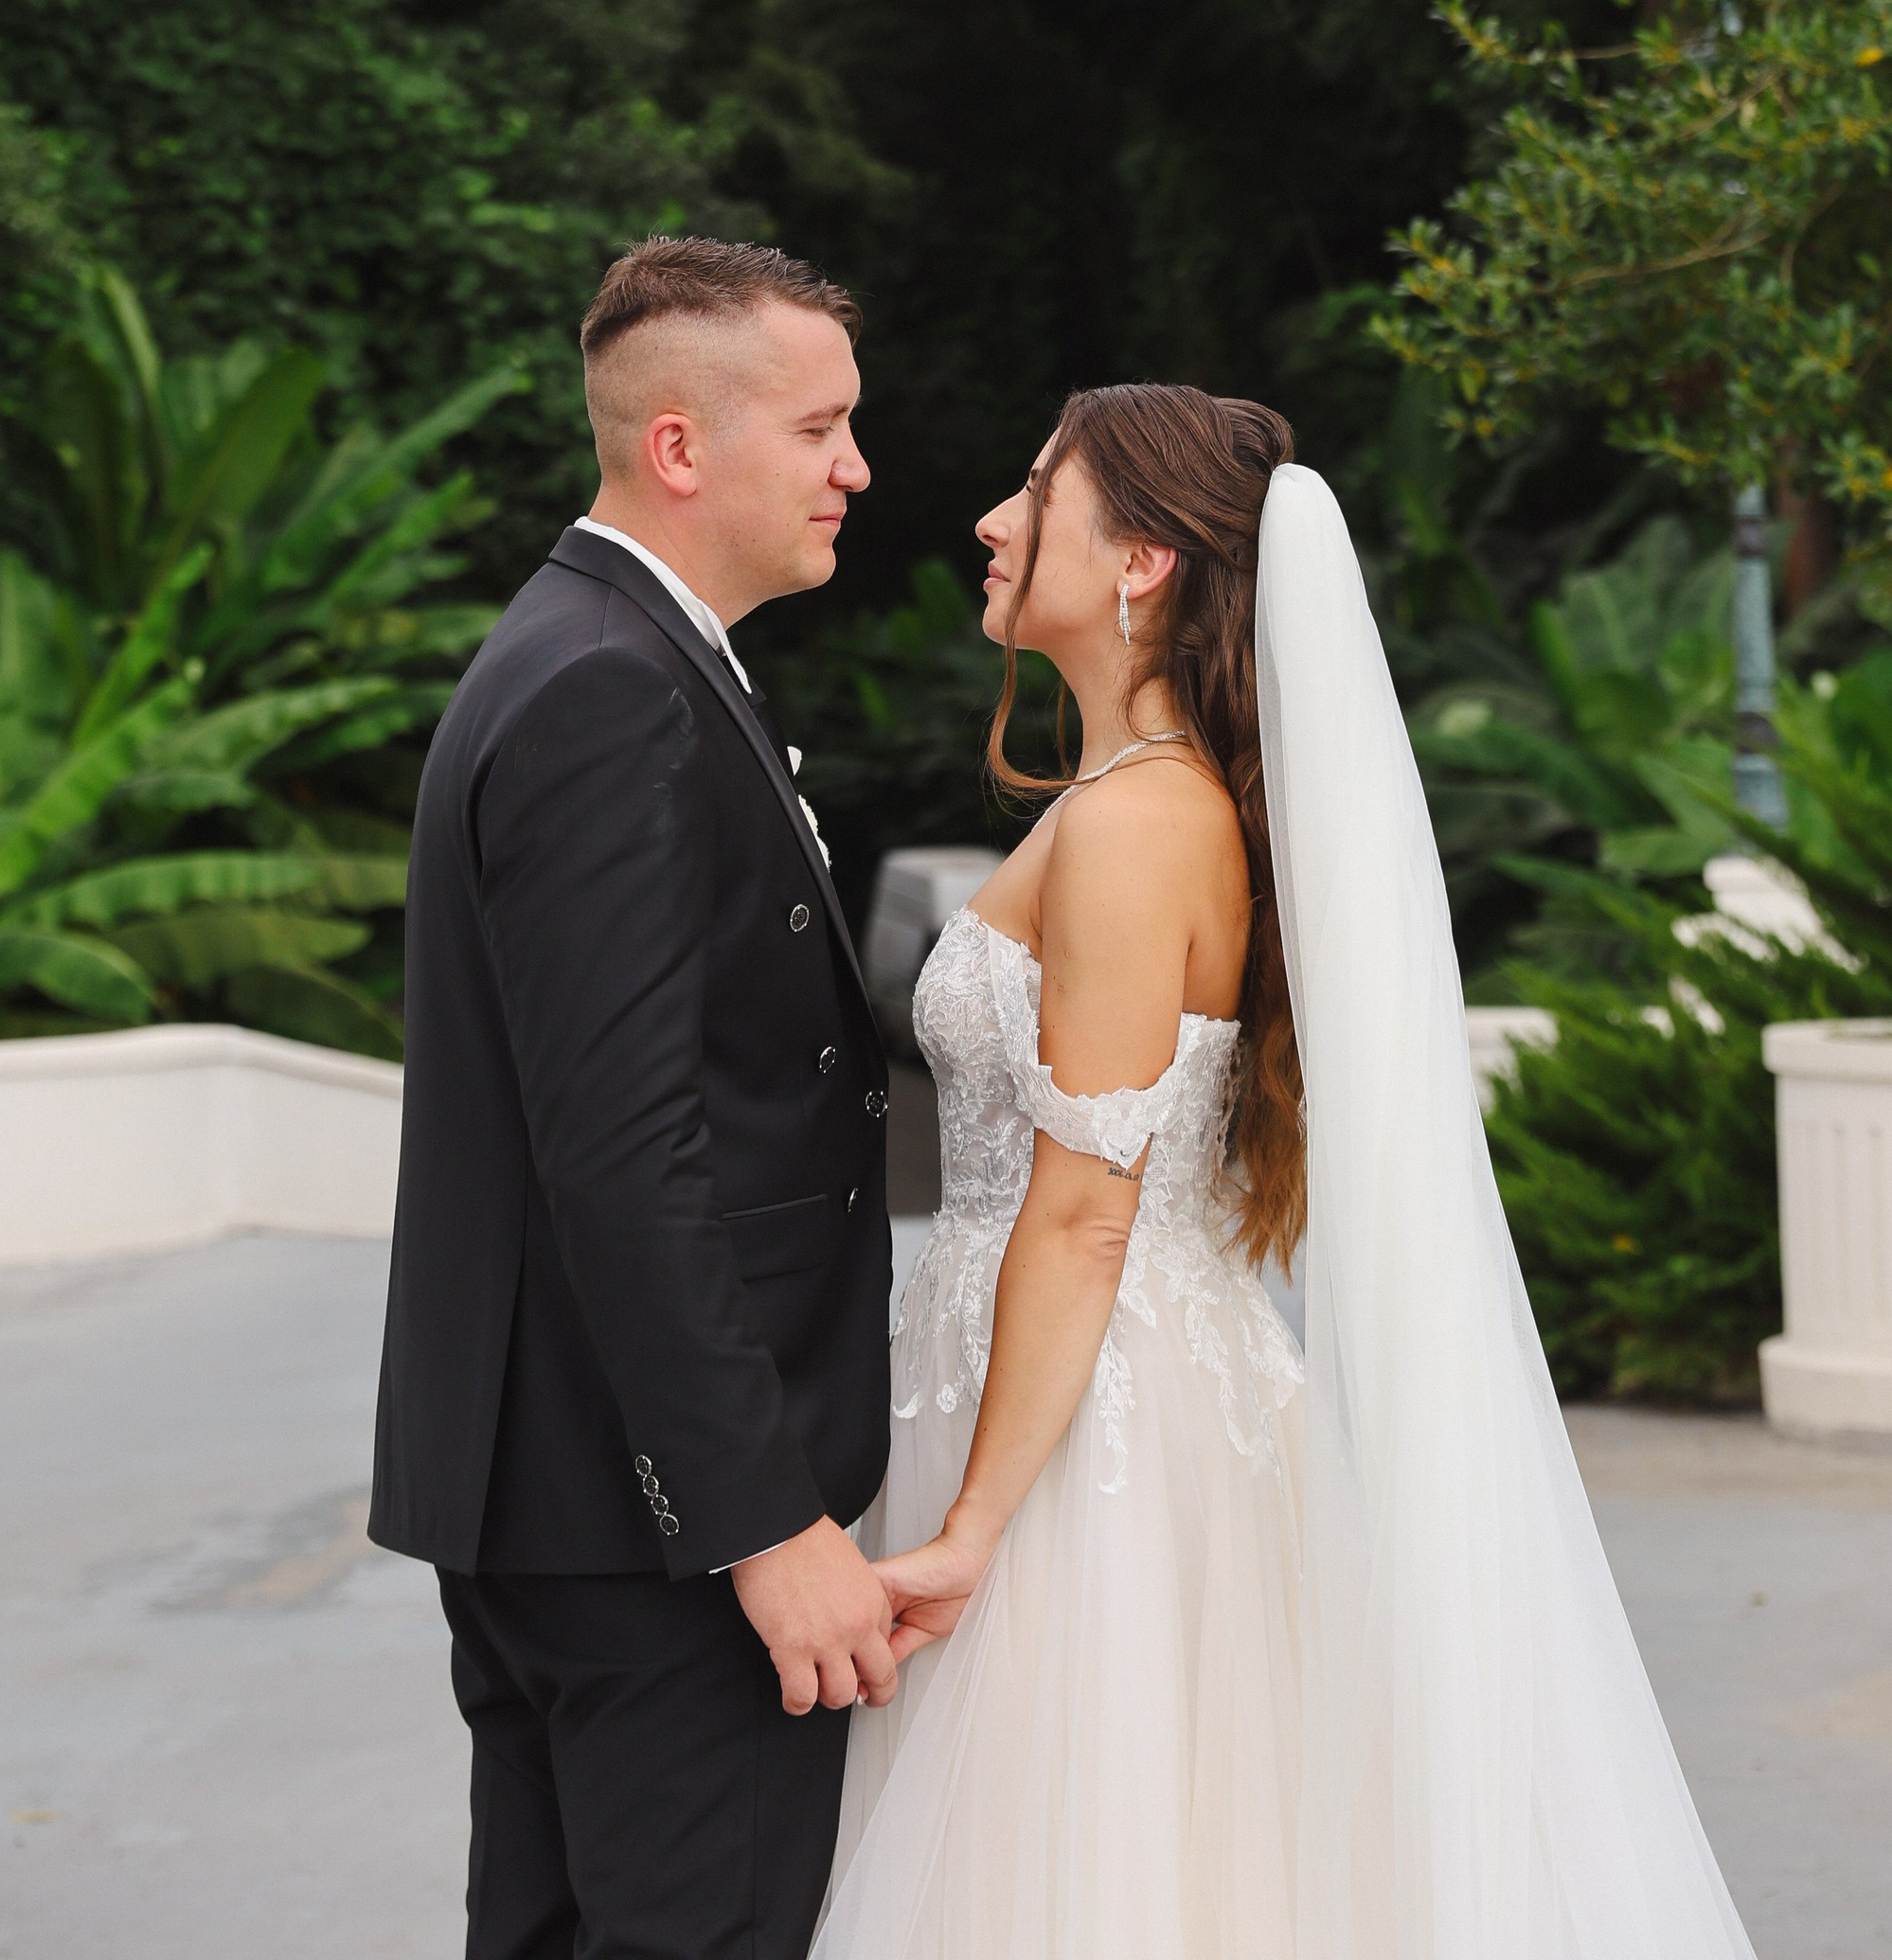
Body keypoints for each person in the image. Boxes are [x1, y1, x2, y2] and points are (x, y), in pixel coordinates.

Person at [816, 383, 1759, 1960]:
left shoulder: (1135, 830)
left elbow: (1085, 1206)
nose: (988, 521)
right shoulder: (1129, 805)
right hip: (1061, 1385)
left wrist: (975, 1526)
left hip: (1086, 1438)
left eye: (1035, 489)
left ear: (1142, 563)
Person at [369, 235, 899, 1960]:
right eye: (820, 428)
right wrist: (759, 1520)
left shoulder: (582, 651)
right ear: (681, 447)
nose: (856, 468)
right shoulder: (608, 686)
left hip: (560, 1502)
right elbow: (622, 1150)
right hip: (650, 1527)